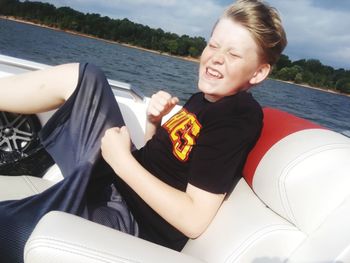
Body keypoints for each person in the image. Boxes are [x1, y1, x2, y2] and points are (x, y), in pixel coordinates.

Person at [0, 0, 287, 261]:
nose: (216, 57)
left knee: (12, 228)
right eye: (213, 45)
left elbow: (194, 219)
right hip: (119, 180)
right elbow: (164, 163)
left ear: (258, 72)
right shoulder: (205, 98)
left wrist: (121, 162)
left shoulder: (237, 116)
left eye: (233, 54)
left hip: (131, 219)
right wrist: (154, 121)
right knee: (85, 76)